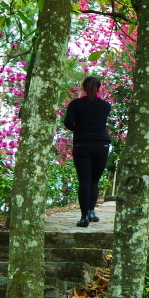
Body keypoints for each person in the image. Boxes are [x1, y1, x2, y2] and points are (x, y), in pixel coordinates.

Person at [64, 76, 112, 227]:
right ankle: (91, 212)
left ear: (83, 88)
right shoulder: (105, 106)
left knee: (84, 181)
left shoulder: (75, 104)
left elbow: (68, 123)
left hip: (82, 145)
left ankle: (84, 216)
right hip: (101, 145)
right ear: (99, 88)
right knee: (94, 181)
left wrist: (79, 129)